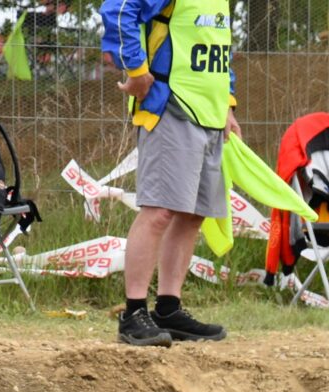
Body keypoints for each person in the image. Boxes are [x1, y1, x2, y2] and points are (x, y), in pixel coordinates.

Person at [100, 0, 233, 346]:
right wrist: (136, 69)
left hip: (210, 114)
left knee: (193, 214)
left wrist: (228, 101)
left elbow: (217, 44)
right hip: (171, 107)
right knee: (159, 211)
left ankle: (168, 310)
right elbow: (118, 9)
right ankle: (133, 314)